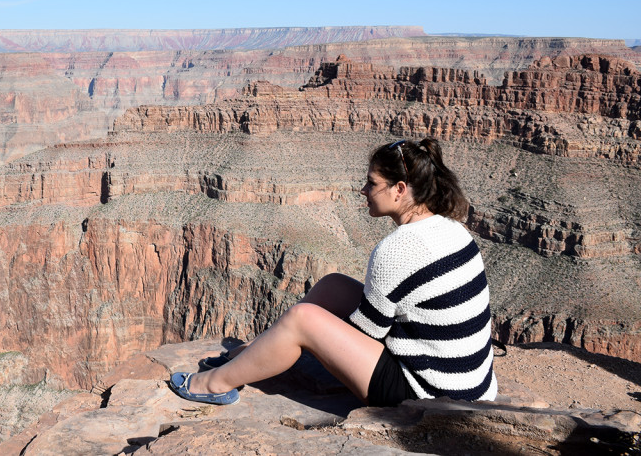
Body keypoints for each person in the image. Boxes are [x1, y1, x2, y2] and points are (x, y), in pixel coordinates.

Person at [169, 138, 497, 407]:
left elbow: (368, 333)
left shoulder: (397, 249)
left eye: (372, 183)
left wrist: (312, 338)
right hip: (468, 383)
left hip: (430, 394)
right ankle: (253, 353)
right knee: (333, 286)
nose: (363, 190)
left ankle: (214, 384)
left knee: (302, 320)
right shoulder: (450, 226)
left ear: (399, 189)